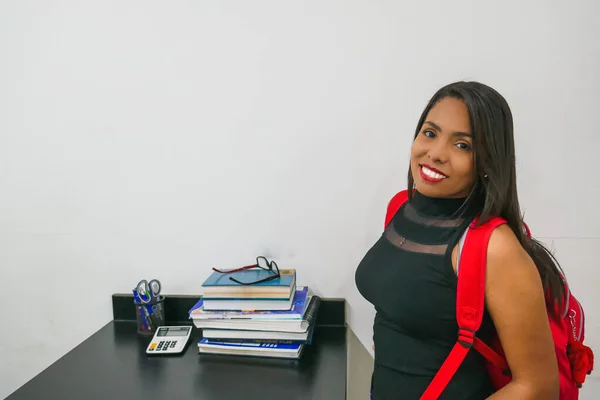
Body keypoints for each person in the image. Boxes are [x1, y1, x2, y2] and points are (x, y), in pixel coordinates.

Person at [355, 81, 563, 399]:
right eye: (430, 132)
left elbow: (538, 386)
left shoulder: (495, 247)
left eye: (462, 145)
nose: (436, 153)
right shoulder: (400, 207)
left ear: (487, 161)